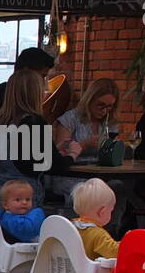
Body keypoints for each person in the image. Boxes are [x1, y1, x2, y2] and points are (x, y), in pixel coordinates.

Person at [0, 47, 56, 203]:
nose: (43, 84)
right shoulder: (25, 117)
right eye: (42, 76)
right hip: (11, 184)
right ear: (27, 72)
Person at [0, 69, 68, 210]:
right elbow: (54, 164)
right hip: (23, 198)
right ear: (35, 94)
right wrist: (73, 155)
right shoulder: (34, 122)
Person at [51, 78, 129, 227]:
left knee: (118, 187)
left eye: (109, 106)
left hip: (99, 174)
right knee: (90, 194)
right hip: (71, 173)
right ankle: (83, 231)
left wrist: (113, 148)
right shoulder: (70, 118)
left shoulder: (109, 122)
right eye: (100, 105)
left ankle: (110, 231)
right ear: (89, 100)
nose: (104, 110)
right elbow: (61, 151)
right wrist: (85, 144)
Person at [70, 178, 133, 273]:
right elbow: (114, 252)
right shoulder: (97, 233)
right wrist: (128, 241)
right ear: (102, 211)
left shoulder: (70, 226)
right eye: (111, 211)